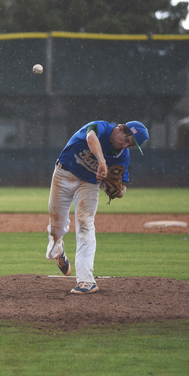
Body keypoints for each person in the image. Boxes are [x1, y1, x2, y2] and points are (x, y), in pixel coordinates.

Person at [46, 120, 149, 294]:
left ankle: (86, 281)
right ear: (120, 128)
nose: (125, 145)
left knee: (85, 224)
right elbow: (91, 137)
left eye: (130, 144)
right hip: (63, 174)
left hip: (88, 184)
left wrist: (117, 191)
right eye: (126, 139)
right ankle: (57, 250)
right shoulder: (101, 127)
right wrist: (102, 161)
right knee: (57, 225)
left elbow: (122, 188)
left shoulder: (122, 156)